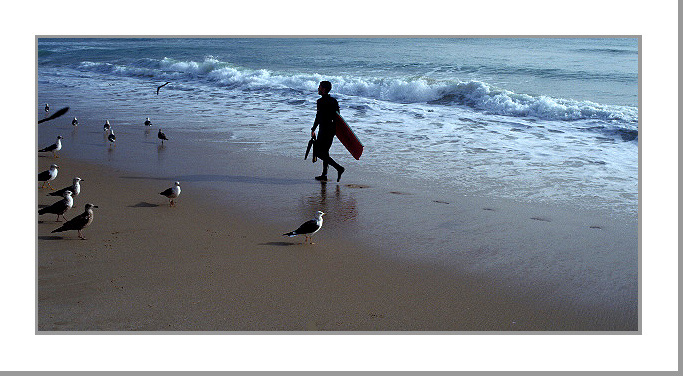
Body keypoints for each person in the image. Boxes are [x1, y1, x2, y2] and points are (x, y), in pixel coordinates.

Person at [311, 81, 345, 182]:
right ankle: (324, 174)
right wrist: (336, 130)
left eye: (319, 87)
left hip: (324, 129)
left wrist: (313, 129)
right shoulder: (334, 101)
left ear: (324, 89)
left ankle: (339, 168)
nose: (318, 89)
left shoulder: (320, 101)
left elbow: (318, 117)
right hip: (331, 129)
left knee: (318, 152)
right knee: (325, 152)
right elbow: (338, 116)